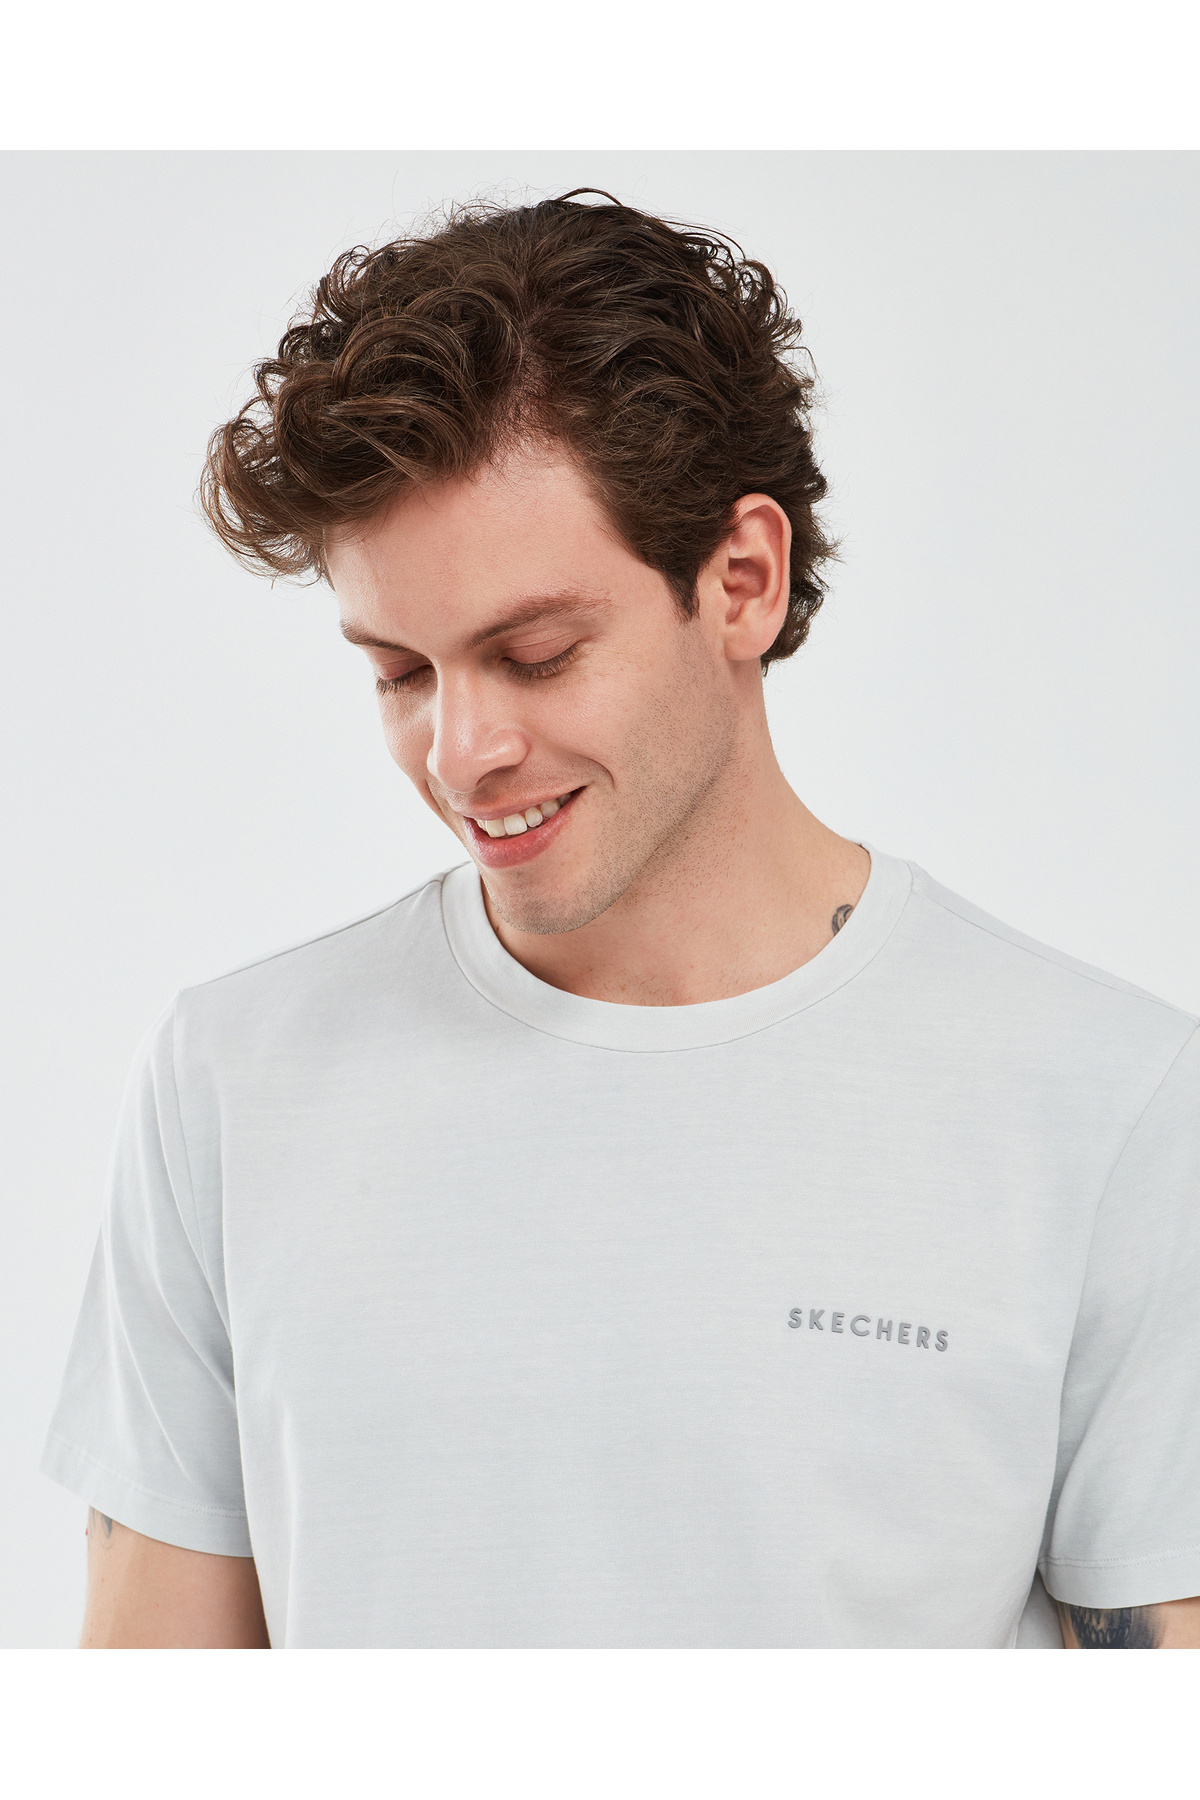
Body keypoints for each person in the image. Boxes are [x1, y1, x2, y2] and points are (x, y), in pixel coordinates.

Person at [43, 192, 1200, 1650]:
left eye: (535, 654)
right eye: (400, 672)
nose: (460, 753)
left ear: (741, 583)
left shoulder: (1103, 1106)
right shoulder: (235, 1080)